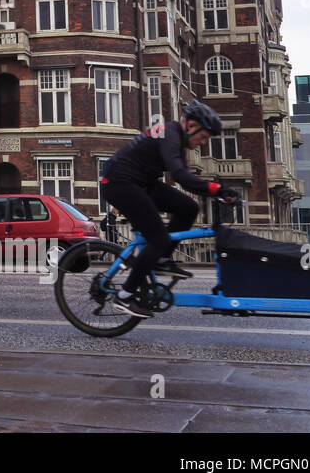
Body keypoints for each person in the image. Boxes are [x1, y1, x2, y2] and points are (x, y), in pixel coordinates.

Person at [100, 101, 238, 318]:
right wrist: (217, 189)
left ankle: (162, 260)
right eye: (203, 137)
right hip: (120, 183)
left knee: (188, 207)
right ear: (191, 126)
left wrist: (217, 191)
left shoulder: (177, 138)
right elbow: (181, 176)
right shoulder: (170, 135)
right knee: (159, 239)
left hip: (142, 182)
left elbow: (184, 178)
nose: (202, 142)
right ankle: (124, 296)